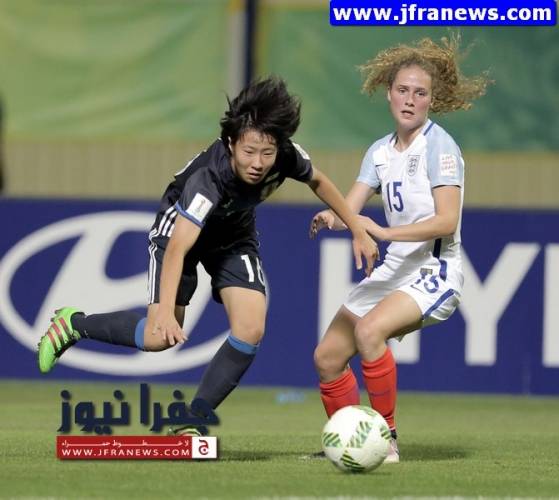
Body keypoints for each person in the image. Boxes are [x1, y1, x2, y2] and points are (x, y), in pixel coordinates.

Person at [37, 76, 379, 434]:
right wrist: (165, 311)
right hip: (179, 233)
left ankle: (192, 418)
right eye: (248, 152)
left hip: (233, 235)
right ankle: (74, 325)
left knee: (251, 328)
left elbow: (318, 181)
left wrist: (355, 226)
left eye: (267, 153)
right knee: (158, 337)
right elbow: (179, 247)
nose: (258, 163)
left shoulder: (285, 154)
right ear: (231, 143)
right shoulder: (209, 178)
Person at [310, 36, 490, 462]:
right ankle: (352, 441)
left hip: (435, 269)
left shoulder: (439, 146)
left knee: (369, 331)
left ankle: (385, 439)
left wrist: (385, 233)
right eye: (403, 90)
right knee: (328, 357)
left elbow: (446, 221)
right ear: (388, 93)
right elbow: (351, 209)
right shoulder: (379, 152)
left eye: (420, 93)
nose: (410, 100)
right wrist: (334, 217)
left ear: (432, 100)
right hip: (395, 269)